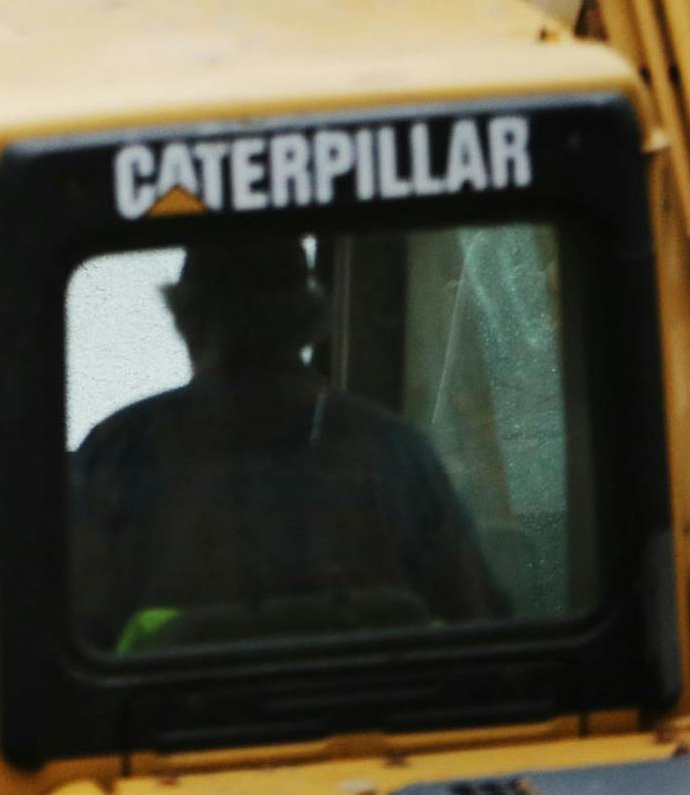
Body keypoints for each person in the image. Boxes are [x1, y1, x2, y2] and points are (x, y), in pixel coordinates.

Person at [69, 237, 506, 653]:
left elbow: (67, 634)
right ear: (308, 319)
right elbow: (482, 628)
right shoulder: (394, 451)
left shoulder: (118, 453)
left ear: (187, 318)